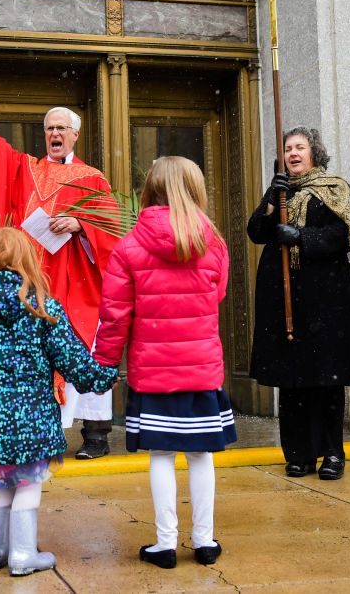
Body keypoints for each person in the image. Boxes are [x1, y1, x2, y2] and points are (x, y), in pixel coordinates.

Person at [0, 59, 119, 460]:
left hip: (76, 278)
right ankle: (43, 433)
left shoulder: (93, 179)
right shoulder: (24, 169)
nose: (55, 133)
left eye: (62, 127)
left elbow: (113, 233)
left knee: (81, 344)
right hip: (31, 278)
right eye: (49, 128)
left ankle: (96, 434)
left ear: (76, 134)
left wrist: (80, 224)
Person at [0, 227, 118, 576]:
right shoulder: (40, 307)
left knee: (2, 485)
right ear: (26, 260)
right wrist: (106, 375)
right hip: (32, 422)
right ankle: (23, 555)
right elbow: (75, 363)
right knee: (28, 487)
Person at [93, 156, 235, 569]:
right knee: (200, 455)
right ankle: (205, 541)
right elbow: (218, 295)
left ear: (149, 189)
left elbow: (115, 314)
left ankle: (165, 543)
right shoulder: (215, 243)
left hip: (152, 370)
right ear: (194, 188)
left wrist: (103, 365)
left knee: (160, 454)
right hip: (201, 366)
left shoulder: (129, 246)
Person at [248, 127, 350, 480]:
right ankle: (297, 454)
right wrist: (272, 196)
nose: (293, 153)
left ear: (315, 152)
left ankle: (332, 454)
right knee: (292, 380)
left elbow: (344, 236)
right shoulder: (280, 192)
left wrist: (302, 236)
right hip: (284, 302)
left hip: (324, 300)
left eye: (300, 147)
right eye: (287, 148)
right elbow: (256, 232)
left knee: (325, 380)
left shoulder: (334, 189)